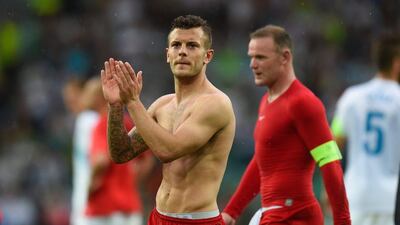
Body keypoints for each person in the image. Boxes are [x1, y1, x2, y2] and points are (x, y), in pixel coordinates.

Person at [100, 15, 236, 225]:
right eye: (176, 45)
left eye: (192, 45)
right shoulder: (163, 105)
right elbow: (121, 153)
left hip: (197, 221)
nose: (182, 51)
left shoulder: (216, 104)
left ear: (207, 56)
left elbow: (168, 151)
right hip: (159, 217)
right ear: (167, 54)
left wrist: (134, 103)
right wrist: (116, 106)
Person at [221, 25, 351, 225]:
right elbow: (261, 162)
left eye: (261, 57)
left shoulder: (303, 103)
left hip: (294, 215)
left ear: (285, 57)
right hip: (273, 213)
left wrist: (343, 221)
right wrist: (232, 211)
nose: (253, 64)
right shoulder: (267, 101)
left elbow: (330, 162)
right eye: (251, 57)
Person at [331, 33, 400, 225]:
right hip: (391, 199)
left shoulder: (351, 97)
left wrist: (328, 190)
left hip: (356, 195)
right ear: (396, 63)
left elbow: (333, 144)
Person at [84, 78, 154, 225]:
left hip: (103, 206)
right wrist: (132, 180)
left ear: (99, 97)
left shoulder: (101, 125)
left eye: (88, 93)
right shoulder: (128, 122)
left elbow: (101, 161)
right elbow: (147, 160)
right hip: (129, 205)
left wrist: (90, 186)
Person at [62, 78, 99, 225]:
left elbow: (100, 159)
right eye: (67, 99)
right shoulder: (84, 120)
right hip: (84, 197)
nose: (70, 103)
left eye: (73, 97)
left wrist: (89, 190)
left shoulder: (88, 120)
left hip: (90, 200)